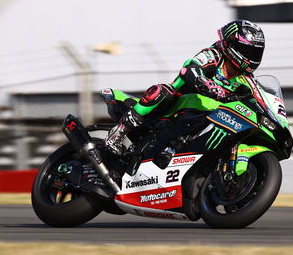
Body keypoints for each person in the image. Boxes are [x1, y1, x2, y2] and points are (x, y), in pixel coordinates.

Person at [104, 20, 265, 156]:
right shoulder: (214, 55)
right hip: (175, 108)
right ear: (234, 44)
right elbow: (190, 68)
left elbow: (260, 99)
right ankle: (118, 132)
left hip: (212, 118)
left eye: (256, 52)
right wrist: (206, 84)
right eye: (250, 51)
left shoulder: (246, 79)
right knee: (163, 91)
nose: (252, 56)